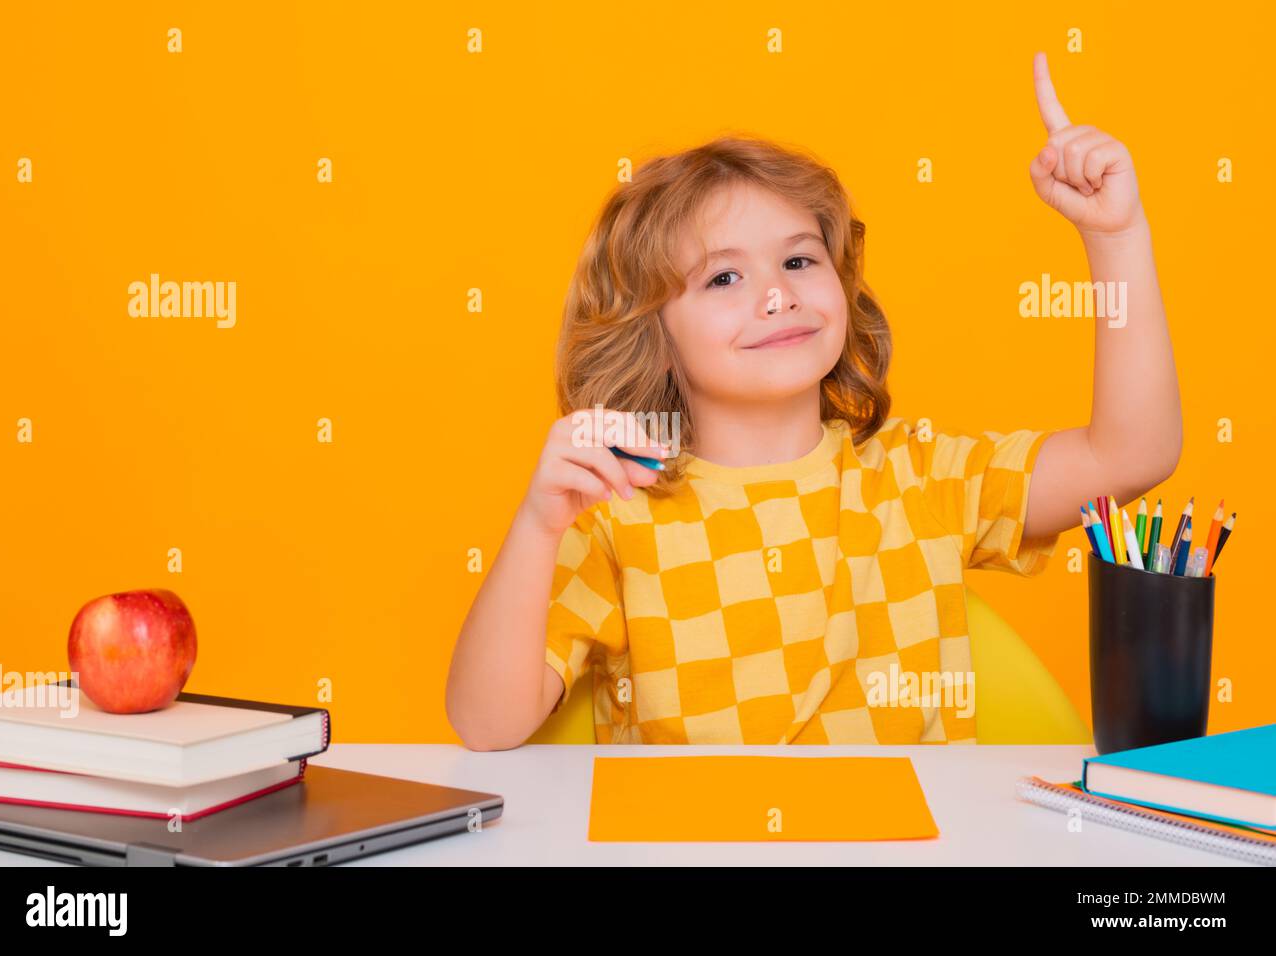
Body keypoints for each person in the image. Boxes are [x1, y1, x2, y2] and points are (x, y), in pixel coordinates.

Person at [446, 52, 1181, 748]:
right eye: (723, 278)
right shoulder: (615, 514)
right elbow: (486, 725)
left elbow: (1132, 454)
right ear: (653, 333)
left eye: (799, 259)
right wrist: (539, 524)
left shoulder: (920, 479)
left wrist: (1116, 239)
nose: (777, 293)